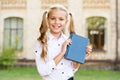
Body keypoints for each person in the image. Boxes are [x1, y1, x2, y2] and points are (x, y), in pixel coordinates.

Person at [34, 4, 92, 80]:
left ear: (66, 21)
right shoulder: (41, 42)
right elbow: (43, 71)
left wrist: (80, 55)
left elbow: (73, 69)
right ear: (47, 20)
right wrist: (62, 53)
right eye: (53, 18)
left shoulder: (70, 41)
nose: (57, 22)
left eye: (61, 19)